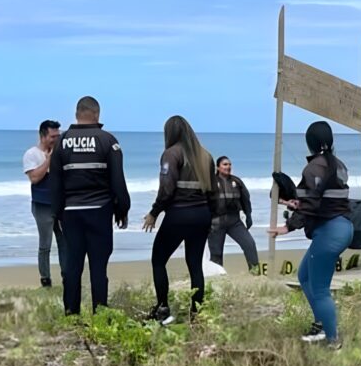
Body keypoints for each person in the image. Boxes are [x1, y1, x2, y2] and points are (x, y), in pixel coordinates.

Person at [269, 120, 353, 346]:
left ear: (310, 142)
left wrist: (287, 227)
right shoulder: (340, 165)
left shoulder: (314, 167)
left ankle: (333, 340)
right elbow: (324, 200)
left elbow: (312, 204)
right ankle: (320, 324)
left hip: (330, 231)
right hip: (342, 226)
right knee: (304, 276)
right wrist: (295, 202)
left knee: (320, 288)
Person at [47, 97, 130, 315]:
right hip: (100, 211)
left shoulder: (61, 143)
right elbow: (117, 181)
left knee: (73, 265)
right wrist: (123, 209)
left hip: (71, 214)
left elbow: (54, 184)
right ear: (96, 114)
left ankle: (71, 312)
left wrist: (57, 214)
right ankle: (100, 313)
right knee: (98, 267)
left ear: (76, 114)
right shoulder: (108, 141)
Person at [143, 116, 216, 324]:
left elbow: (166, 190)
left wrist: (154, 213)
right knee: (195, 265)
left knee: (158, 259)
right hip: (202, 215)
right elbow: (214, 192)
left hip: (179, 215)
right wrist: (210, 218)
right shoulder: (206, 155)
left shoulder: (171, 153)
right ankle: (196, 314)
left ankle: (162, 308)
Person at [23, 120, 67, 288]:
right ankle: (45, 278)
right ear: (43, 136)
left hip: (61, 204)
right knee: (45, 244)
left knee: (65, 242)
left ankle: (66, 275)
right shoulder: (32, 154)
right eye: (52, 136)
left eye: (58, 135)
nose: (56, 139)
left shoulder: (62, 152)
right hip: (42, 204)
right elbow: (34, 178)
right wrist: (49, 160)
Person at [208, 156, 259, 272]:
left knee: (249, 244)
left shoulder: (237, 181)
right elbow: (203, 202)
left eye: (230, 164)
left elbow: (246, 199)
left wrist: (248, 215)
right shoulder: (210, 182)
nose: (228, 167)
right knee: (216, 255)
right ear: (218, 167)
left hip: (234, 222)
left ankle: (256, 274)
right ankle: (217, 281)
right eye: (225, 164)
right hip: (216, 223)